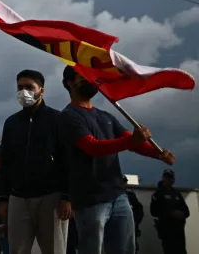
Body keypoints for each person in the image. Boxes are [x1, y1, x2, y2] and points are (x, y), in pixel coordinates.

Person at [57, 66, 175, 254]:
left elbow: (133, 143)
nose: (91, 80)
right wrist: (131, 140)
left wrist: (158, 154)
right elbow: (92, 147)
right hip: (89, 200)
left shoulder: (106, 116)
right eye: (84, 77)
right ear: (70, 83)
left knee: (125, 250)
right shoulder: (68, 116)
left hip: (118, 196)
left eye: (92, 76)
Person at [0, 69, 71, 254]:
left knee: (55, 250)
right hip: (18, 199)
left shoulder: (58, 118)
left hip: (51, 198)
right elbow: (6, 162)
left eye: (29, 87)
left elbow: (68, 159)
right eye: (20, 87)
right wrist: (3, 198)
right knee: (16, 250)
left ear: (42, 90)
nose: (24, 92)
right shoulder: (11, 123)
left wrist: (67, 197)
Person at [151, 169, 189, 254]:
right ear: (163, 178)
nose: (169, 179)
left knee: (181, 251)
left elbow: (186, 211)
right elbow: (154, 211)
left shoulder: (177, 194)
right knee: (169, 250)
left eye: (171, 177)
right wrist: (171, 213)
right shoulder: (157, 194)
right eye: (167, 177)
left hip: (179, 231)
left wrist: (182, 214)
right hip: (167, 230)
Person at [124, 184, 143, 254]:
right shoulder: (110, 195)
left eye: (124, 182)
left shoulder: (131, 196)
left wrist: (134, 222)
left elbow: (139, 211)